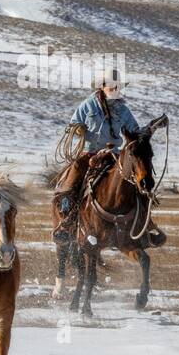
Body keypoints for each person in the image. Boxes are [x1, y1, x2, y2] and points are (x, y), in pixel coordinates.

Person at [52, 69, 141, 239]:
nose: (115, 90)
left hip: (113, 155)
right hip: (89, 153)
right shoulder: (88, 105)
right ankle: (66, 220)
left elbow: (134, 130)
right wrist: (78, 129)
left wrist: (148, 129)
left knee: (136, 182)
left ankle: (144, 223)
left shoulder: (123, 110)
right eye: (112, 86)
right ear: (103, 86)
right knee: (72, 181)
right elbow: (73, 124)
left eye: (118, 87)